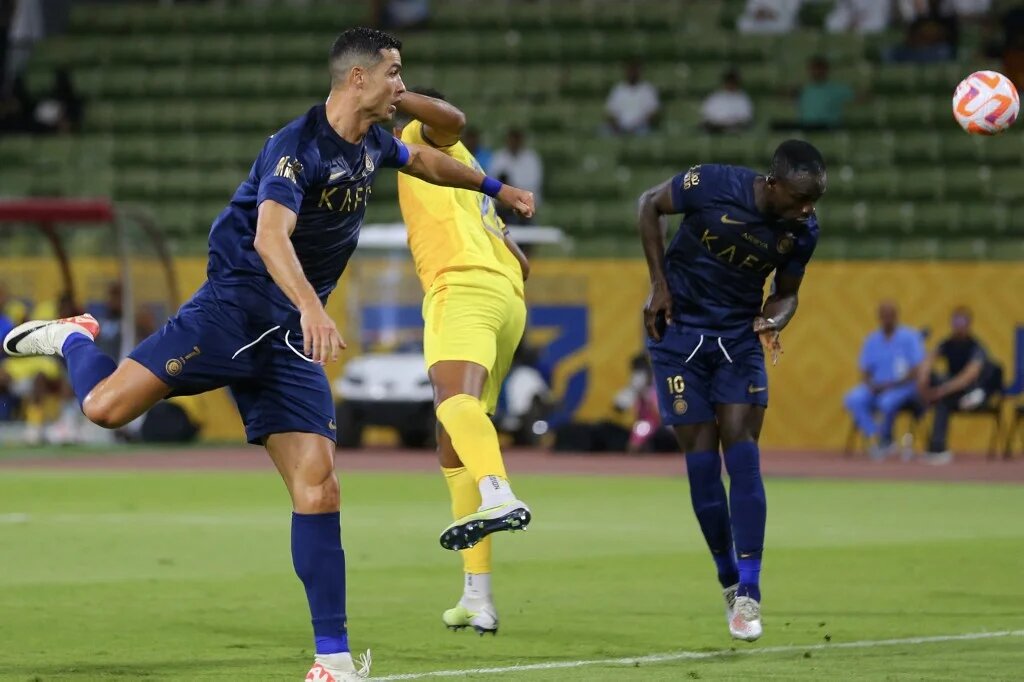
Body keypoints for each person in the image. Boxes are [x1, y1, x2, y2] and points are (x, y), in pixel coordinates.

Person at [3, 27, 534, 682]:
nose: (403, 87)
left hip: (286, 342)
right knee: (104, 410)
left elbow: (426, 162)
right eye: (395, 74)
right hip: (231, 312)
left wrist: (493, 188)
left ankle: (333, 660)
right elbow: (269, 236)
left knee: (319, 487)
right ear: (358, 80)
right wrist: (313, 306)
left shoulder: (371, 142)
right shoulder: (296, 147)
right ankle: (76, 337)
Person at [637, 140, 826, 642]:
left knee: (742, 451)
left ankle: (750, 592)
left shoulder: (802, 230)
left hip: (737, 341)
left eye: (815, 202)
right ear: (773, 184)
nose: (808, 210)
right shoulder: (714, 183)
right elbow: (649, 205)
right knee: (702, 464)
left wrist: (773, 318)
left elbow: (787, 291)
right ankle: (726, 579)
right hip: (676, 333)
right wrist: (659, 283)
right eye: (802, 199)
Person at [393, 88, 532, 635]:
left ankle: (499, 492)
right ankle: (478, 597)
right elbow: (521, 260)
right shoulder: (472, 174)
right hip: (506, 299)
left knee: (453, 402)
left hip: (463, 286)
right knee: (454, 441)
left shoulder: (419, 137)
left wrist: (397, 96)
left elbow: (452, 117)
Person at [843, 301, 925, 460]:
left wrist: (892, 385)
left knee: (886, 402)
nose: (887, 319)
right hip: (876, 387)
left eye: (890, 315)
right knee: (853, 398)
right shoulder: (872, 340)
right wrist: (871, 385)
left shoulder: (910, 337)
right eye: (884, 316)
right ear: (879, 317)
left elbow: (916, 369)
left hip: (903, 388)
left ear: (896, 316)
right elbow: (865, 371)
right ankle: (876, 435)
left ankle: (886, 440)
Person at [917, 306, 996, 464]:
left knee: (942, 399)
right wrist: (923, 380)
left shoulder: (976, 347)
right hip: (949, 394)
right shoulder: (947, 343)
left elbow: (967, 377)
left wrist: (941, 391)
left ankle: (937, 447)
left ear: (969, 323)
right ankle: (937, 447)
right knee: (938, 396)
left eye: (962, 321)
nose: (958, 325)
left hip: (972, 394)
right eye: (955, 321)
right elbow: (928, 360)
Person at [487, 127, 543, 223]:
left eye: (516, 139)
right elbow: (491, 180)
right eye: (512, 139)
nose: (514, 143)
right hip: (502, 204)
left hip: (525, 204)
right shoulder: (498, 157)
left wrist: (512, 188)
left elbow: (533, 184)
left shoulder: (531, 159)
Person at [604, 59, 661, 135]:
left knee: (644, 132)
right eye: (630, 70)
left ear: (640, 72)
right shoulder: (618, 90)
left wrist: (638, 126)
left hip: (641, 127)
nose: (632, 73)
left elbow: (653, 113)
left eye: (635, 70)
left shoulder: (648, 89)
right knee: (603, 131)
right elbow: (610, 113)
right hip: (620, 127)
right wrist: (616, 126)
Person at [700, 69, 755, 134]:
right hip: (716, 129)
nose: (731, 85)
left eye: (733, 82)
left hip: (736, 129)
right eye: (729, 82)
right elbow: (707, 116)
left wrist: (730, 123)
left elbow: (746, 118)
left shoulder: (743, 98)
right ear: (725, 83)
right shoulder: (715, 97)